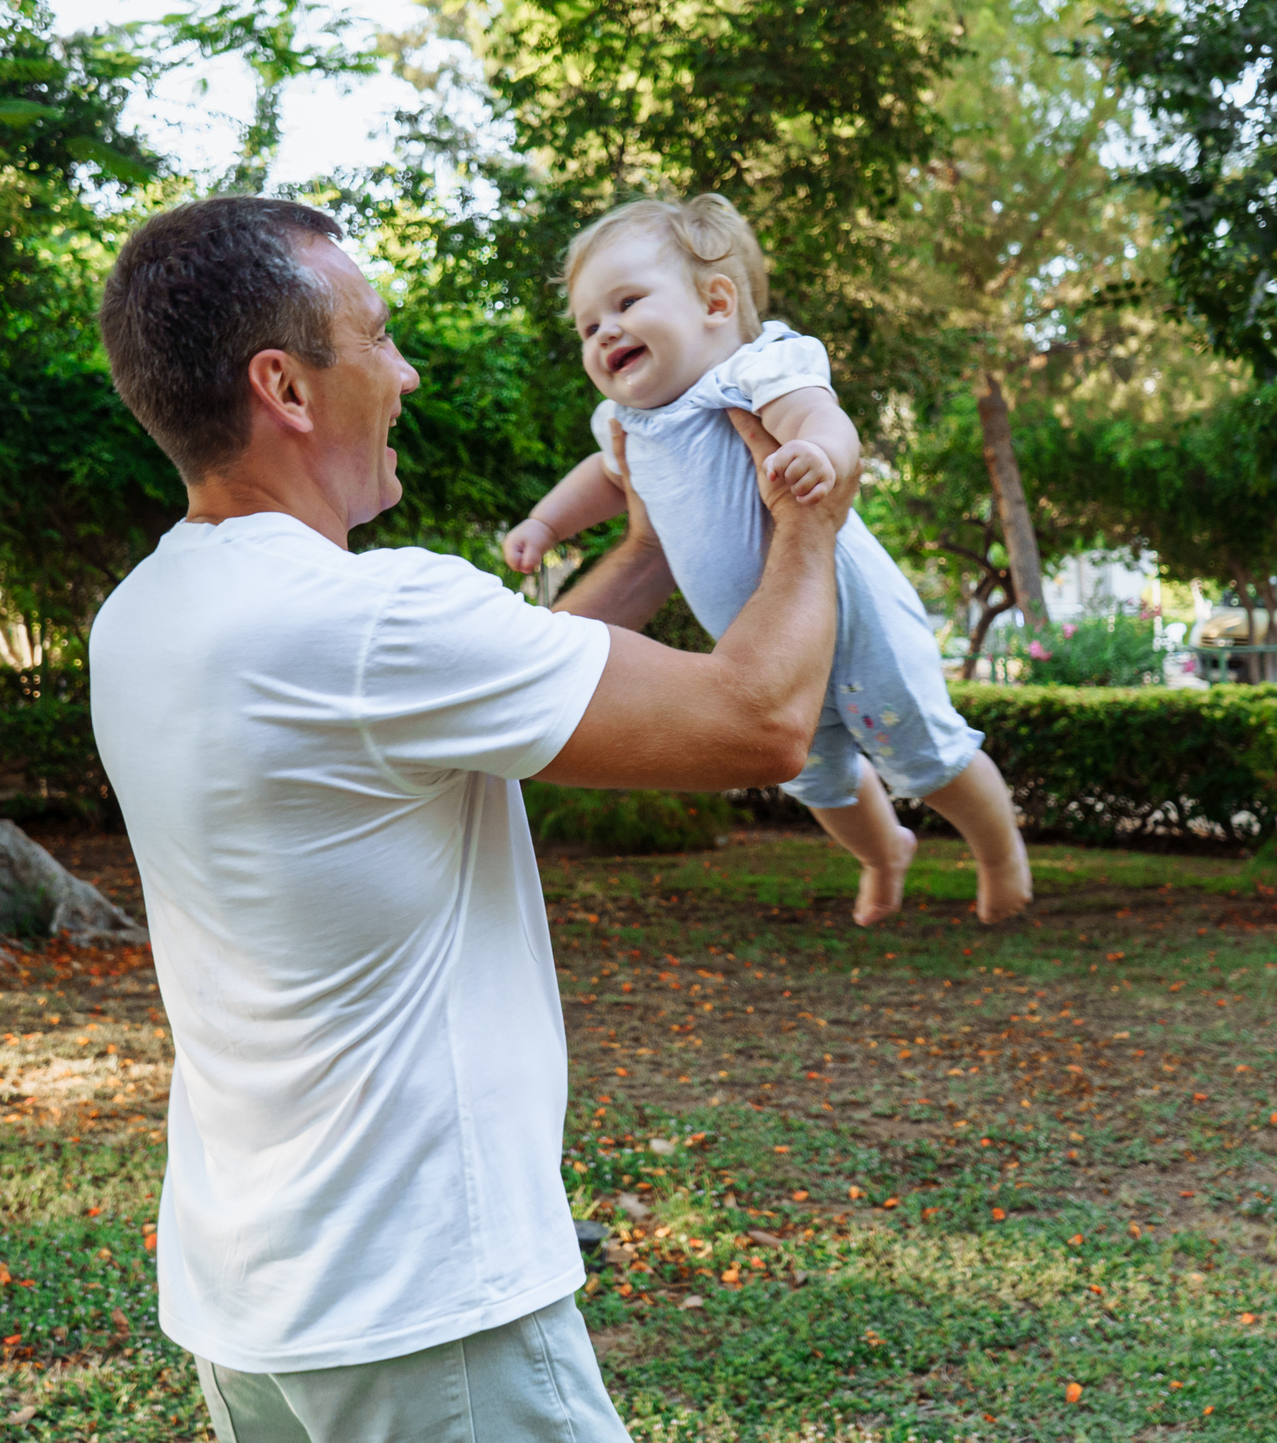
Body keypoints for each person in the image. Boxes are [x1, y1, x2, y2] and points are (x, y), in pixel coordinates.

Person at [89, 196, 854, 1441]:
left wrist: (666, 541)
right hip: (423, 1311)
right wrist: (810, 515)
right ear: (285, 386)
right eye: (378, 338)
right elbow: (760, 717)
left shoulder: (144, 618)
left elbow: (543, 670)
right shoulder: (369, 621)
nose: (405, 372)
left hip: (253, 1301)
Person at [502, 193, 1033, 928]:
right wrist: (545, 521)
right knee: (816, 780)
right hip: (766, 643)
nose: (605, 332)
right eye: (588, 325)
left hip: (857, 620)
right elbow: (603, 478)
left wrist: (819, 451)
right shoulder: (626, 425)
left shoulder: (754, 369)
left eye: (626, 302)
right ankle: (884, 855)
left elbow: (818, 415)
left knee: (929, 754)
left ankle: (999, 850)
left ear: (716, 301)